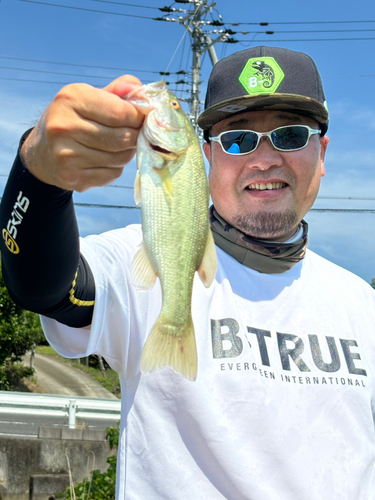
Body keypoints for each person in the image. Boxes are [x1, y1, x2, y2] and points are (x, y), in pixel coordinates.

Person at [1, 46, 375, 499]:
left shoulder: (363, 304)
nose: (264, 159)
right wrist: (39, 174)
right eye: (237, 139)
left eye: (291, 136)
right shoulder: (140, 256)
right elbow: (43, 286)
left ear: (322, 152)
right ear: (207, 156)